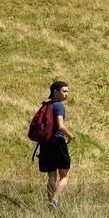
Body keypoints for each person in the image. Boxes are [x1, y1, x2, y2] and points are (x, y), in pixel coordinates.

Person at [38, 80, 75, 208]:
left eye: (67, 91)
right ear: (55, 92)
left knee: (51, 177)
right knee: (64, 176)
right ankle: (54, 201)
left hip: (45, 144)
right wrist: (70, 136)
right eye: (64, 91)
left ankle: (50, 205)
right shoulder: (59, 106)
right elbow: (60, 126)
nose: (67, 94)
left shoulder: (46, 105)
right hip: (58, 143)